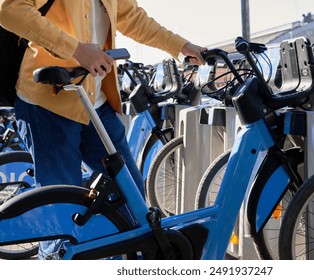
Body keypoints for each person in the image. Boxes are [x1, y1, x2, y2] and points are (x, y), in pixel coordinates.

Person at [0, 0, 206, 259]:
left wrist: (182, 47)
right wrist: (75, 50)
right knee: (62, 207)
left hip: (97, 102)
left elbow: (132, 18)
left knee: (129, 194)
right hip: (47, 103)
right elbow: (10, 11)